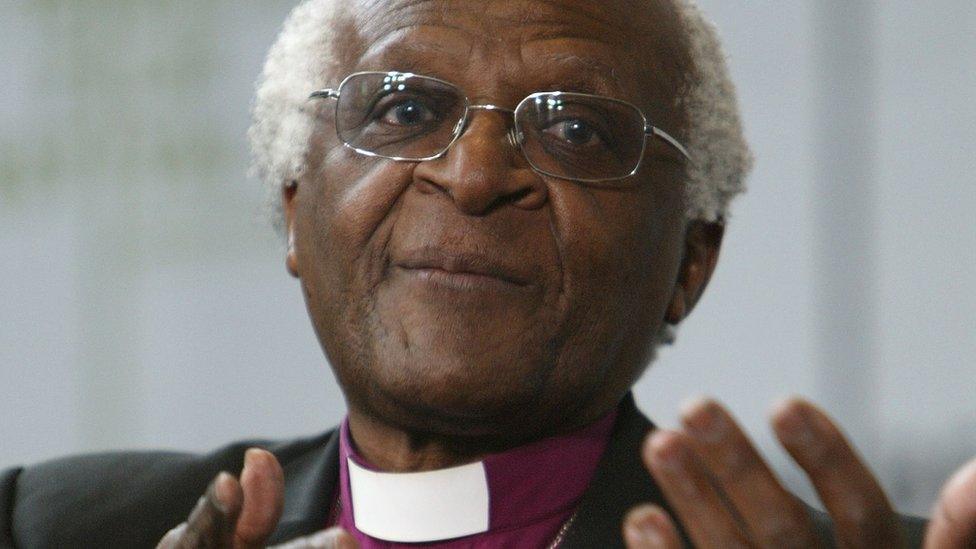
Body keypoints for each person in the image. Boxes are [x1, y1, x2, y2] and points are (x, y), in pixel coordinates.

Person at [3, 0, 975, 547]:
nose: (473, 176)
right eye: (401, 110)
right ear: (296, 209)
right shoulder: (56, 527)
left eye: (575, 130)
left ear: (691, 258)